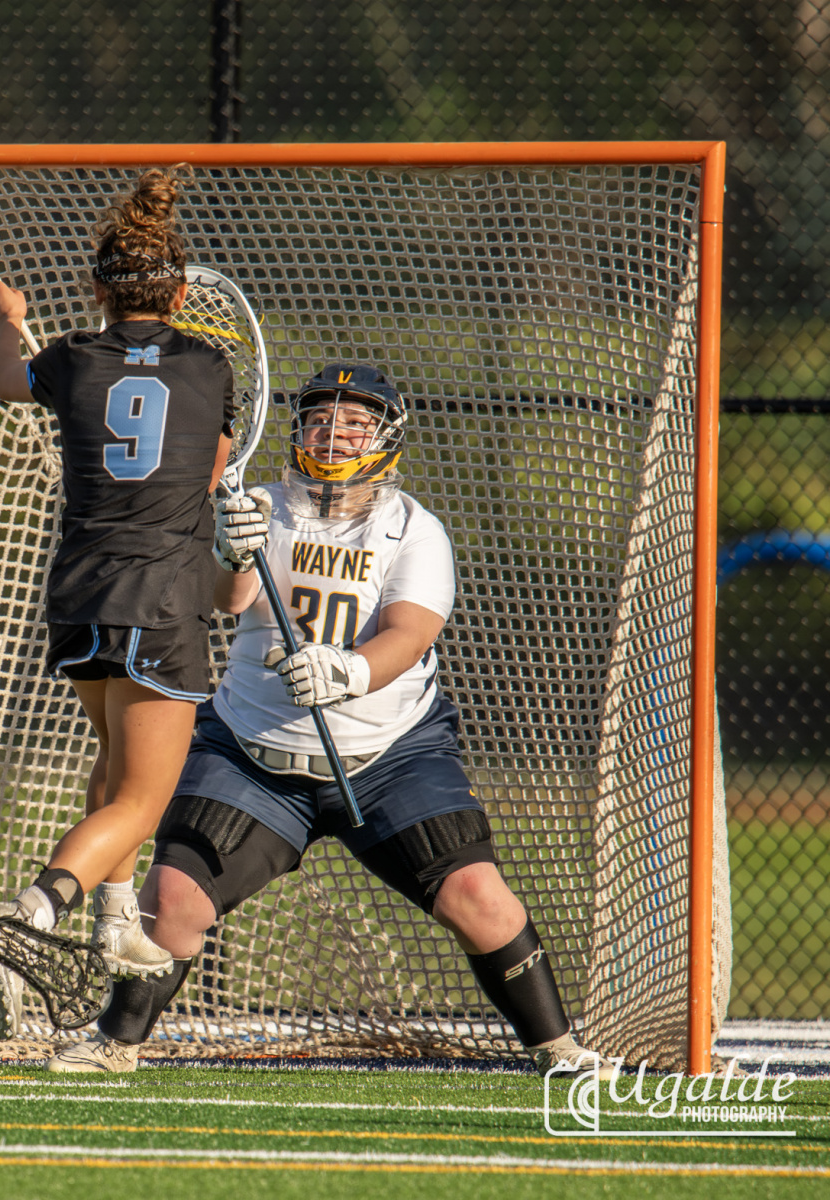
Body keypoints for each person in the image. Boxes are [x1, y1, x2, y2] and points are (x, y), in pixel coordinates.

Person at [44, 362, 616, 1078]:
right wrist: (228, 553)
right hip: (253, 753)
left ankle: (559, 1049)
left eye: (354, 422)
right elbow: (226, 599)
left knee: (478, 898)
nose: (333, 433)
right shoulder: (261, 506)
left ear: (386, 437)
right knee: (172, 900)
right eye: (320, 418)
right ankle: (116, 1044)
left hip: (388, 756)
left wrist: (348, 672)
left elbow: (410, 633)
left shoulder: (413, 530)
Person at [0, 166, 234, 1039]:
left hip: (80, 591)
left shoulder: (69, 358)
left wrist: (7, 322)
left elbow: (6, 382)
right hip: (161, 597)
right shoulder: (208, 365)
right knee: (142, 803)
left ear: (97, 290)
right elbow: (210, 471)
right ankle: (32, 913)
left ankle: (115, 919)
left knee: (115, 764)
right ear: (181, 293)